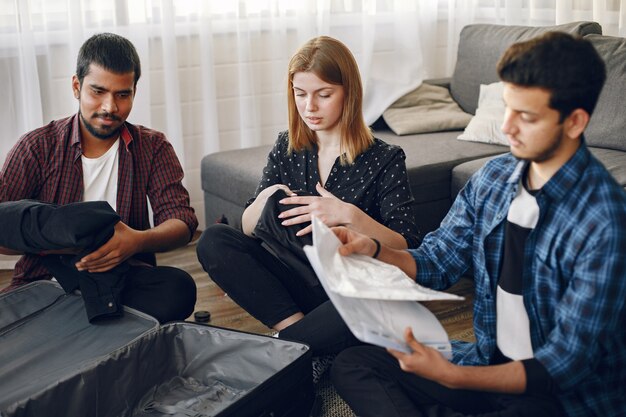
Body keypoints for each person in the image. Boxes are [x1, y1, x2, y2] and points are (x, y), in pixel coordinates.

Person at [329, 31, 626, 417]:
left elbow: (562, 366)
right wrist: (376, 250)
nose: (507, 127)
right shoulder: (492, 181)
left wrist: (454, 378)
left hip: (560, 398)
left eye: (527, 116)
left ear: (574, 122)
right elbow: (437, 261)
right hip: (488, 362)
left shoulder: (605, 221)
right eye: (507, 108)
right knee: (355, 364)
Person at [196, 36, 420, 358]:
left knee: (379, 302)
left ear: (349, 93)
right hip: (298, 284)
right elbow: (247, 226)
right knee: (214, 239)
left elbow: (408, 245)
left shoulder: (385, 158)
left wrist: (349, 214)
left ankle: (290, 349)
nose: (309, 107)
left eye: (324, 95)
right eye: (300, 94)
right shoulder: (288, 146)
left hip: (351, 291)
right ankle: (299, 337)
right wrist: (268, 196)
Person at [0, 33, 198, 324]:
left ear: (133, 92)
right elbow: (3, 229)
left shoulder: (153, 147)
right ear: (77, 87)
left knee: (178, 289)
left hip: (123, 275)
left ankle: (79, 329)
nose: (110, 107)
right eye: (98, 92)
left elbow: (182, 222)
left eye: (122, 94)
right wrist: (59, 245)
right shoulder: (36, 147)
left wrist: (135, 242)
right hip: (46, 277)